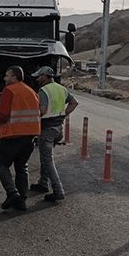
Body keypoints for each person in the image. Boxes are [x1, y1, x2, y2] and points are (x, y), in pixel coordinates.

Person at [29, 66, 79, 202]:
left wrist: (31, 117)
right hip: (58, 129)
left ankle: (58, 191)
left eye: (39, 76)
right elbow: (74, 103)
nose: (37, 79)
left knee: (48, 160)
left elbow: (43, 110)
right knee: (45, 157)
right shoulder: (61, 88)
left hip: (47, 129)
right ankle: (43, 183)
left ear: (45, 76)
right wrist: (63, 114)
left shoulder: (43, 90)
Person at [0, 66, 41, 211]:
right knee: (21, 167)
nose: (4, 78)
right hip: (30, 136)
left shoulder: (9, 91)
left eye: (7, 76)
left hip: (12, 135)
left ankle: (12, 192)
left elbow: (2, 115)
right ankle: (21, 200)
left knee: (2, 165)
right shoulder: (31, 91)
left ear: (14, 77)